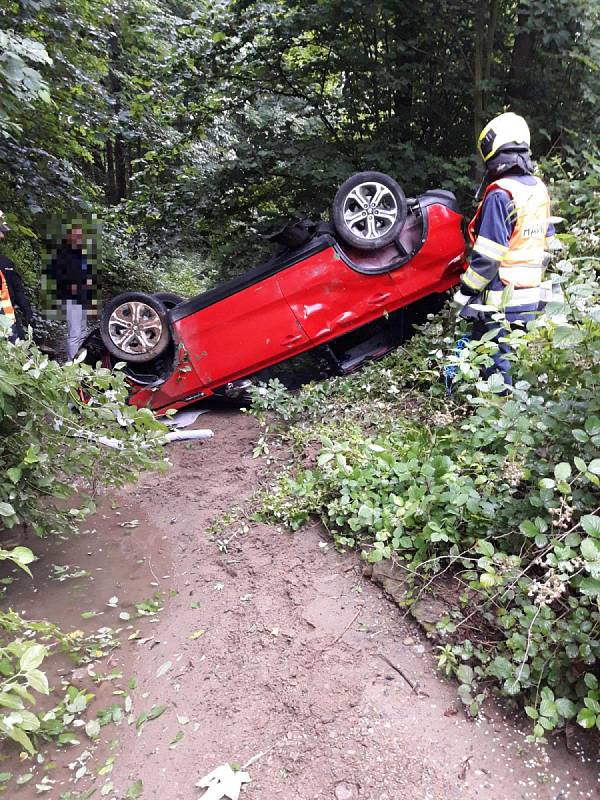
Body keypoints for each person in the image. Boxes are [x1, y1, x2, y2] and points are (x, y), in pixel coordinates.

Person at [453, 112, 556, 391]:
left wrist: (463, 294)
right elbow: (548, 241)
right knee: (517, 361)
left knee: (497, 370)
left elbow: (488, 257)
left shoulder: (501, 194)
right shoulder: (538, 190)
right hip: (531, 298)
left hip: (502, 301)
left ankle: (498, 420)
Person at [46, 223, 93, 359]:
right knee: (75, 332)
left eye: (80, 235)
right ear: (69, 236)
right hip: (70, 297)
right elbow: (54, 274)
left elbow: (87, 272)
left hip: (83, 296)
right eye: (76, 235)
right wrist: (69, 284)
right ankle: (70, 362)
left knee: (83, 331)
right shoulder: (61, 254)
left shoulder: (82, 253)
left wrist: (89, 280)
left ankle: (80, 360)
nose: (79, 237)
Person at [0, 211, 34, 342]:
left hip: (8, 321)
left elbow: (17, 290)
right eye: (0, 231)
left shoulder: (6, 263)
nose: (3, 236)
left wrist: (28, 313)